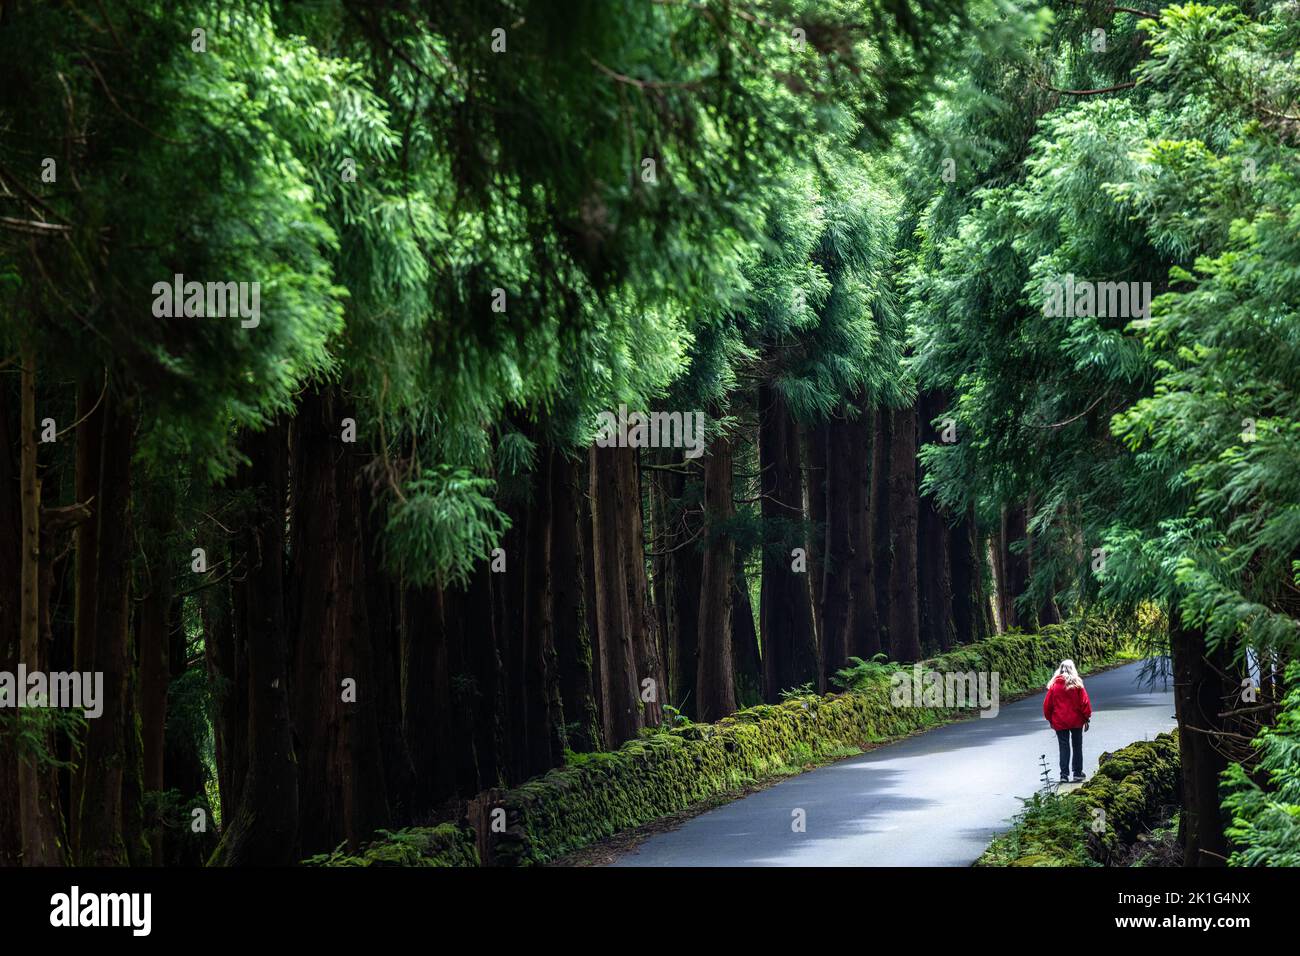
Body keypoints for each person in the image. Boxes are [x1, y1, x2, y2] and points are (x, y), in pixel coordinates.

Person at [1043, 659, 1091, 782]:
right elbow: (1084, 703)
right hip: (1076, 721)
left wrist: (1051, 720)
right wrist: (1086, 718)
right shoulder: (1078, 685)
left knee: (1063, 747)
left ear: (1060, 669)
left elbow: (1047, 706)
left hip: (1060, 721)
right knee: (1077, 746)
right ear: (1073, 669)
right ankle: (1077, 773)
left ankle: (1064, 775)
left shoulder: (1054, 686)